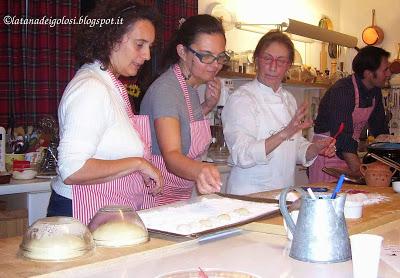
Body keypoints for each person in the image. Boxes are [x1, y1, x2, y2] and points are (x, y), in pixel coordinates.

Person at [47, 0, 163, 225]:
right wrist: (137, 163)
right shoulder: (91, 88)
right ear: (112, 39)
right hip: (80, 214)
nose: (148, 55)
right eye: (140, 44)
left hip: (105, 212)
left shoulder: (109, 85)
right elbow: (73, 169)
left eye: (150, 46)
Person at [221, 30, 336, 195]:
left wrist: (315, 148)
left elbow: (293, 149)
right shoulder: (242, 99)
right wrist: (284, 133)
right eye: (267, 58)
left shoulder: (289, 99)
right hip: (249, 196)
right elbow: (241, 154)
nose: (273, 66)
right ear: (257, 60)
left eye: (281, 61)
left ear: (288, 66)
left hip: (282, 194)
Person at [140, 14, 227, 207]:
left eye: (220, 57)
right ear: (182, 51)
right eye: (206, 56)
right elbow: (171, 155)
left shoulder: (189, 87)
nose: (215, 65)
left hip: (177, 197)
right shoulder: (167, 90)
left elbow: (182, 126)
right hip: (155, 198)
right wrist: (201, 170)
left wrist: (207, 106)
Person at [309, 46, 391, 182]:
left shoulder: (375, 91)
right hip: (327, 155)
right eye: (385, 70)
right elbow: (342, 134)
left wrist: (389, 161)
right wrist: (360, 172)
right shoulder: (342, 91)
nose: (388, 74)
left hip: (348, 154)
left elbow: (380, 131)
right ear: (368, 73)